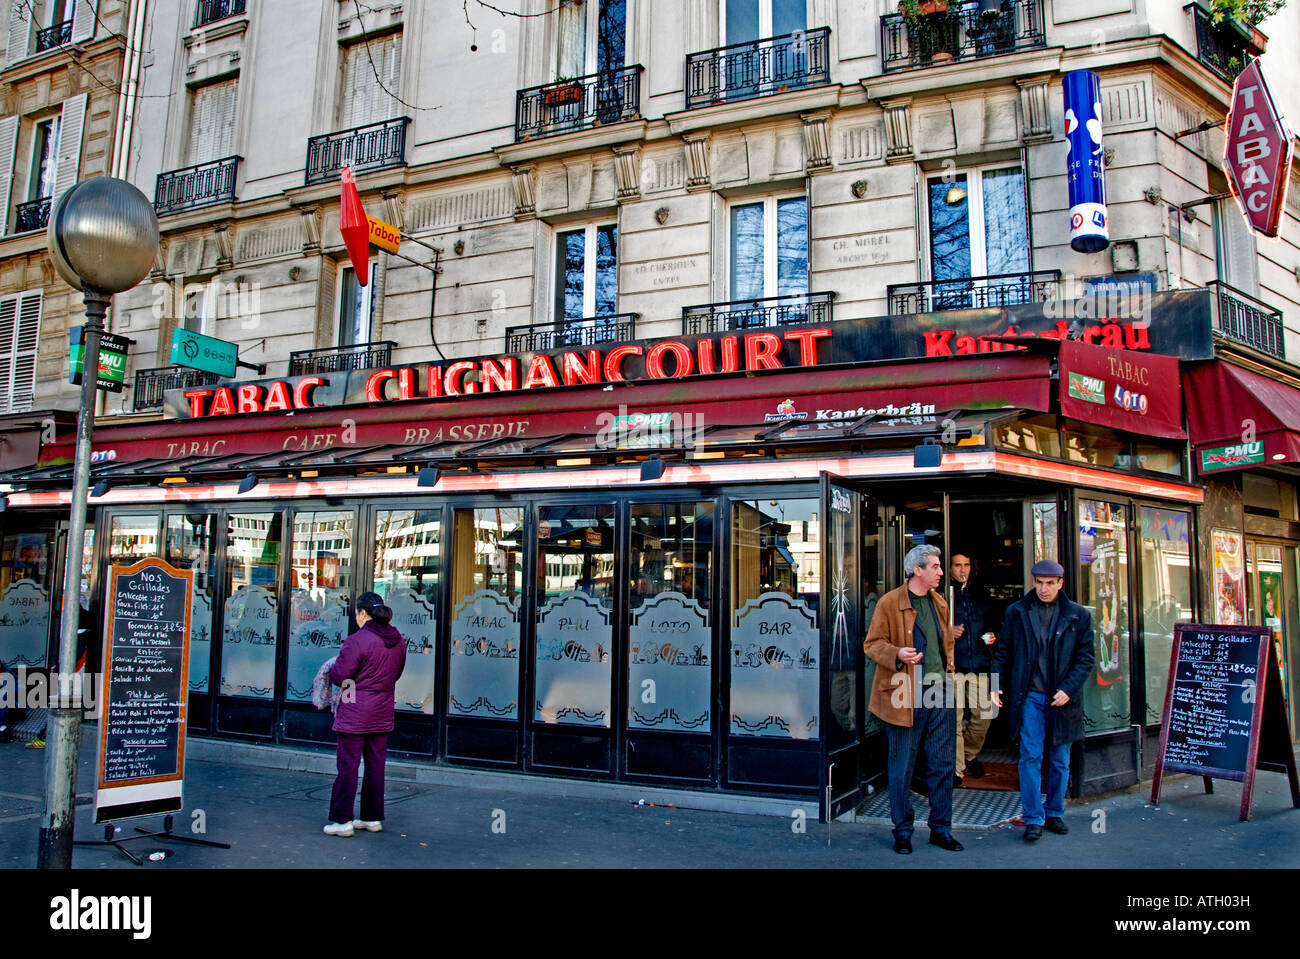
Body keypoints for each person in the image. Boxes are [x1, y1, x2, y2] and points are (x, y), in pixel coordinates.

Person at [863, 544, 963, 855]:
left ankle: (941, 829)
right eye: (935, 566)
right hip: (903, 693)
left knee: (943, 764)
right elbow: (872, 644)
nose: (941, 572)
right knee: (902, 766)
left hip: (939, 691)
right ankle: (902, 831)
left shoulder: (940, 602)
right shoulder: (890, 602)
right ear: (917, 569)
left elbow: (945, 647)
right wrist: (896, 654)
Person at [991, 560, 1094, 842]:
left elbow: (1086, 659)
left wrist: (1069, 689)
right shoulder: (1017, 612)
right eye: (1039, 582)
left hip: (1063, 699)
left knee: (1060, 759)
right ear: (1033, 582)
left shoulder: (1078, 615)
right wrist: (995, 685)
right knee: (1030, 757)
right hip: (1030, 697)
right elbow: (1003, 652)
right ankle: (1033, 816)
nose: (1044, 588)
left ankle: (1054, 812)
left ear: (1061, 583)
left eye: (1050, 583)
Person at [324, 592, 407, 837]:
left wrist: (333, 670)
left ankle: (342, 821)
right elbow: (396, 673)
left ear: (362, 613)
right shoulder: (398, 640)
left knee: (348, 766)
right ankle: (372, 818)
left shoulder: (357, 640)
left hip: (354, 710)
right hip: (382, 710)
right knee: (376, 766)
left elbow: (341, 676)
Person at [949, 552, 998, 784]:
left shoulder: (981, 593)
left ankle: (968, 755)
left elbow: (994, 623)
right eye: (958, 565)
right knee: (955, 720)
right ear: (949, 568)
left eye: (966, 565)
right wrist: (947, 633)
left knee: (985, 715)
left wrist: (992, 635)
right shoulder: (942, 595)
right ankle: (957, 769)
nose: (962, 569)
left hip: (980, 664)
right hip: (953, 665)